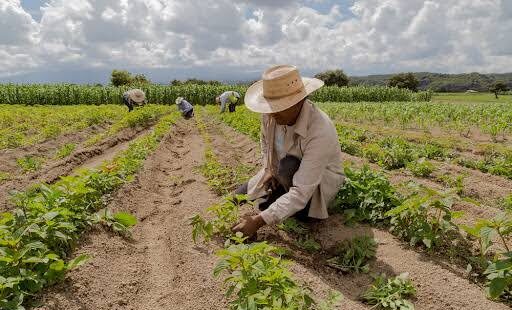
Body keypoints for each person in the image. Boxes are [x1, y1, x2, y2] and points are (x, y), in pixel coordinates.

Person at [232, 65, 345, 238]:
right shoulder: (271, 116)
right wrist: (269, 168)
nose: (272, 113)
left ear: (299, 101)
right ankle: (278, 194)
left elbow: (301, 192)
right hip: (281, 172)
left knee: (287, 167)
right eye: (270, 107)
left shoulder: (320, 129)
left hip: (314, 185)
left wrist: (257, 222)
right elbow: (264, 142)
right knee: (238, 195)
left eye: (279, 107)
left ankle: (300, 212)